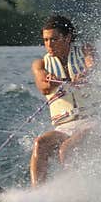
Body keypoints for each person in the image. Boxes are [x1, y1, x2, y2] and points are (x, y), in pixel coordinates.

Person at [29, 14, 96, 186]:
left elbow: (92, 64)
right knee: (41, 144)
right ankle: (38, 196)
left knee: (67, 149)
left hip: (93, 122)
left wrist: (87, 73)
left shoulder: (86, 51)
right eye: (45, 40)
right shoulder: (40, 64)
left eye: (54, 39)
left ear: (67, 38)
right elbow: (43, 86)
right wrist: (50, 81)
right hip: (64, 127)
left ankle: (76, 193)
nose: (49, 45)